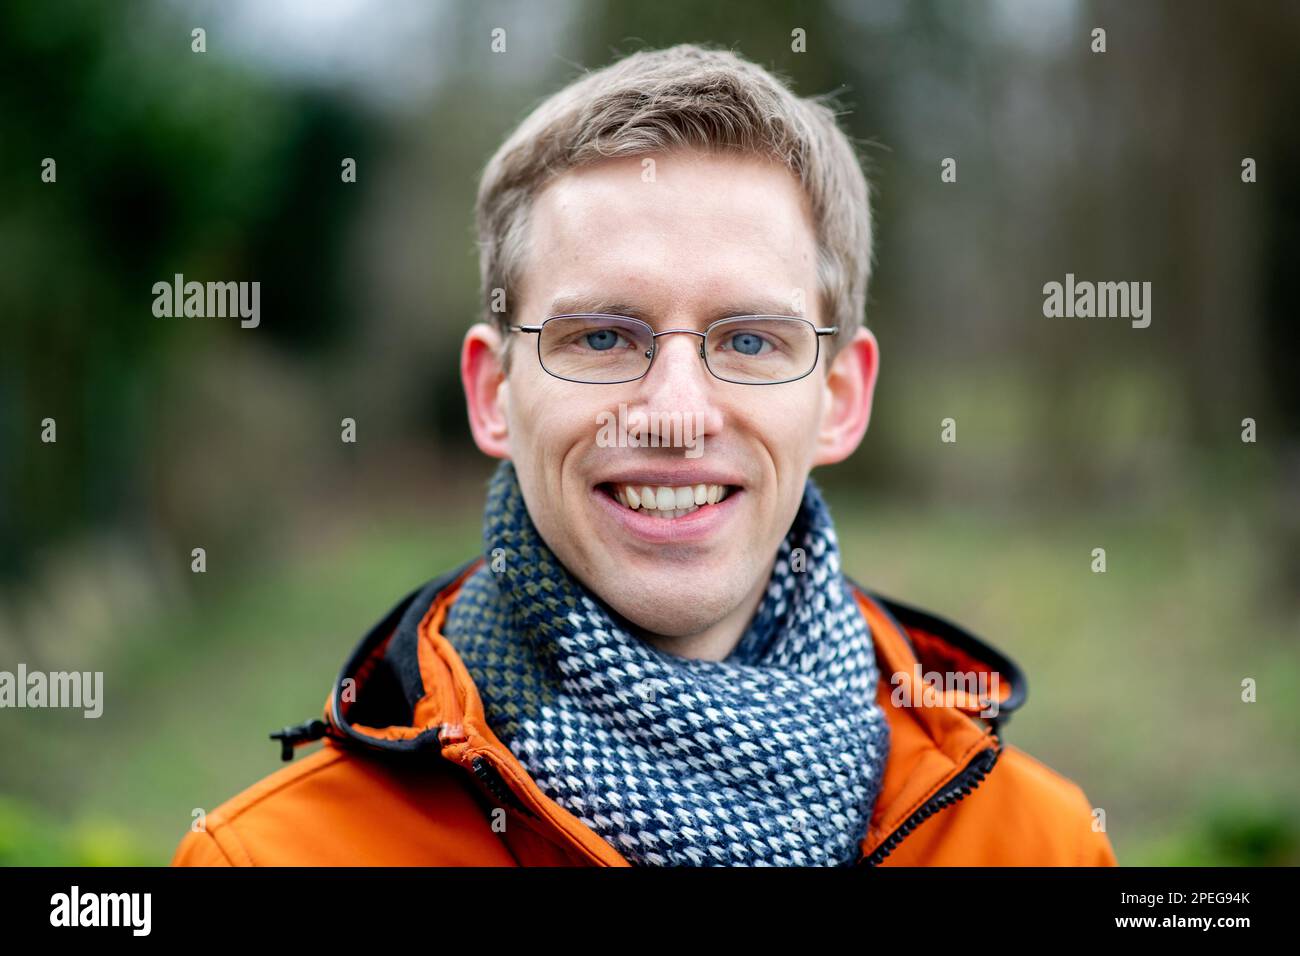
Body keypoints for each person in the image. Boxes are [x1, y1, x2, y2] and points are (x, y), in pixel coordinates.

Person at [172, 43, 1117, 867]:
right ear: (493, 393)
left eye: (749, 341)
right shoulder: (270, 860)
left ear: (840, 400)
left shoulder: (1039, 846)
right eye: (601, 337)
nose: (674, 415)